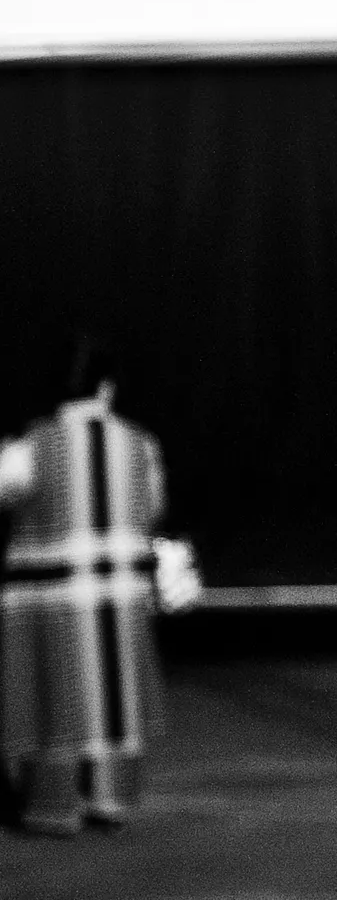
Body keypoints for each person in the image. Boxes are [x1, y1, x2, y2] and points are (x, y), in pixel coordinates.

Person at [2, 341, 196, 834]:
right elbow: (152, 507)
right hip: (118, 594)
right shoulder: (140, 444)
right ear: (107, 387)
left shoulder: (32, 446)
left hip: (50, 600)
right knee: (111, 695)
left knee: (55, 700)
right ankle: (109, 800)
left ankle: (53, 807)